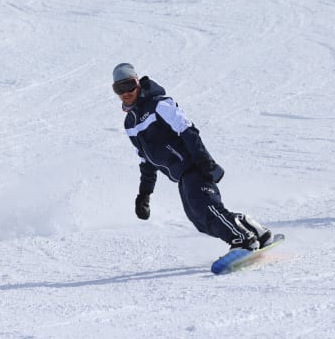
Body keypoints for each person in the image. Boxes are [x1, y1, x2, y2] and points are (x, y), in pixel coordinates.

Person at [112, 63, 273, 250]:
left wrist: (204, 160)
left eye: (129, 85)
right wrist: (144, 194)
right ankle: (251, 228)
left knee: (208, 210)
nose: (126, 92)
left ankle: (243, 239)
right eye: (119, 88)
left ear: (138, 82)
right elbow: (145, 160)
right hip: (181, 176)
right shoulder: (130, 124)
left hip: (194, 166)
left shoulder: (159, 104)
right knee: (200, 221)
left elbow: (187, 129)